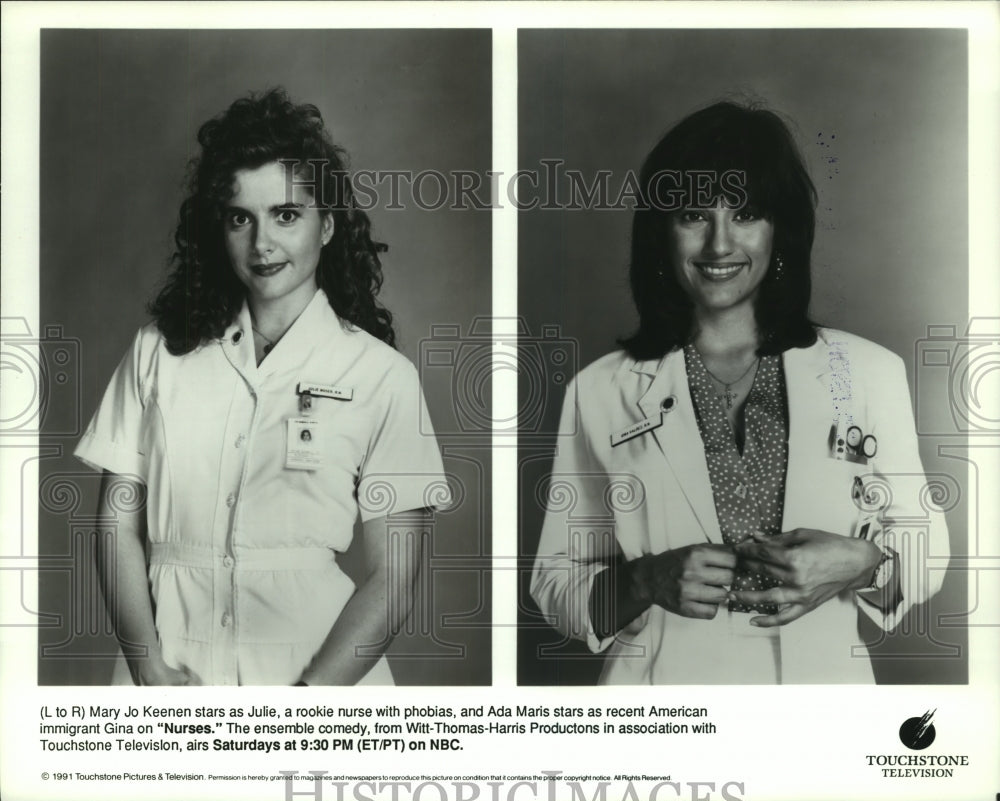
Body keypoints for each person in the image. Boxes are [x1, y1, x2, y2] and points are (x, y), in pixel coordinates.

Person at [530, 101, 949, 684]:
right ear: (662, 232)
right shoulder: (601, 389)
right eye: (693, 216)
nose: (719, 244)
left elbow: (927, 548)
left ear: (781, 228)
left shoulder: (868, 372)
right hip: (660, 704)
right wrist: (643, 580)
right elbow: (555, 581)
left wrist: (864, 563)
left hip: (822, 707)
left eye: (746, 214)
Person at [75, 88, 450, 686]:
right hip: (169, 674)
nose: (262, 244)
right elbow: (115, 524)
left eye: (285, 214)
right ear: (217, 230)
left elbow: (395, 577)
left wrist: (309, 704)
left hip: (321, 678)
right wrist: (147, 667)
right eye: (239, 218)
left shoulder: (382, 376)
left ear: (327, 226)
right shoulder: (158, 353)